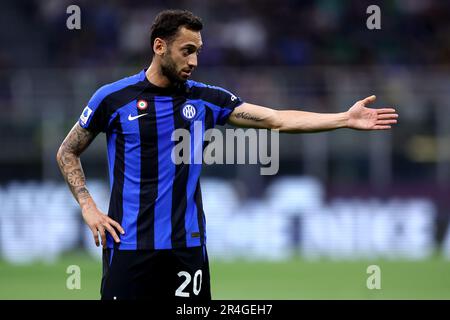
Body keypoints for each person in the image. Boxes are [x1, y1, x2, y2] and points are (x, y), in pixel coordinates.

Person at [56, 9, 398, 301]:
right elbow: (68, 152)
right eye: (186, 50)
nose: (194, 61)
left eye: (198, 51)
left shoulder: (206, 99)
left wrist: (343, 119)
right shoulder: (114, 99)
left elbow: (276, 119)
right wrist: (88, 206)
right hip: (128, 247)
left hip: (185, 250)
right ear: (159, 47)